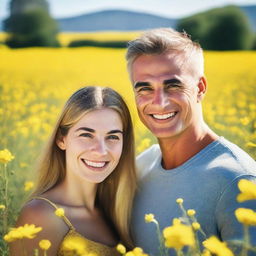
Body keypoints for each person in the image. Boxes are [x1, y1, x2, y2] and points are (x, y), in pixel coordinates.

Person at [126, 28, 256, 255]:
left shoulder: (238, 180)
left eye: (173, 86)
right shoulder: (141, 165)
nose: (159, 102)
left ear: (200, 88)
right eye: (145, 89)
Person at [10, 86, 137, 256]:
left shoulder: (117, 209)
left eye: (113, 137)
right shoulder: (41, 215)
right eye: (86, 135)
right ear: (61, 139)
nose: (101, 151)